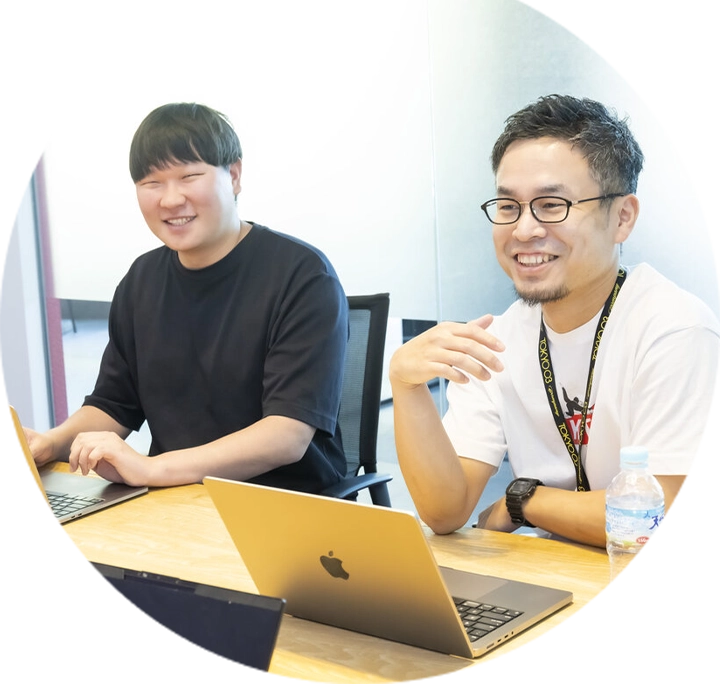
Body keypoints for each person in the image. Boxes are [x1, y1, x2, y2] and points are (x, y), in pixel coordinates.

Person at [390, 94, 720, 547]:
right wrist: (406, 386)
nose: (524, 230)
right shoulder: (497, 340)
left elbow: (666, 523)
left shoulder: (673, 330)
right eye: (508, 206)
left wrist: (524, 500)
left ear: (622, 218)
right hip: (551, 573)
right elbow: (446, 511)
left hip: (656, 582)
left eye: (551, 205)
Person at [25, 102, 349, 494]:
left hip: (282, 502)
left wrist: (151, 469)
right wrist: (50, 443)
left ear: (233, 176)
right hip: (175, 497)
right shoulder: (141, 280)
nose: (170, 200)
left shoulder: (302, 276)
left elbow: (286, 435)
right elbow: (113, 404)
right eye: (151, 183)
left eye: (189, 176)